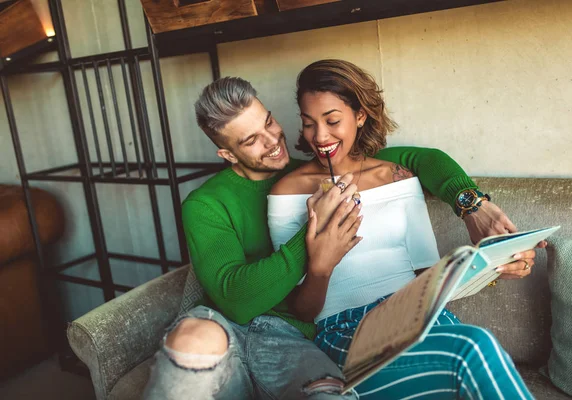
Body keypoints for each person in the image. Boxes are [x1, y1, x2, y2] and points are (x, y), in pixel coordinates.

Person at [143, 75, 537, 399]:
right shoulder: (208, 204)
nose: (273, 140)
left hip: (359, 324)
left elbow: (421, 160)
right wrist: (317, 231)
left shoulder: (319, 166)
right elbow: (236, 298)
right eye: (250, 141)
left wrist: (473, 207)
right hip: (279, 327)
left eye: (269, 122)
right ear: (227, 155)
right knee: (472, 351)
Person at [268, 59, 541, 399]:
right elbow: (303, 310)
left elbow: (429, 277)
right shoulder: (288, 192)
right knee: (474, 347)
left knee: (469, 354)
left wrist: (494, 266)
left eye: (332, 120)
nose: (320, 136)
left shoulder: (397, 176)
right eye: (309, 124)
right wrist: (322, 265)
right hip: (346, 331)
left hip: (420, 318)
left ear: (361, 116)